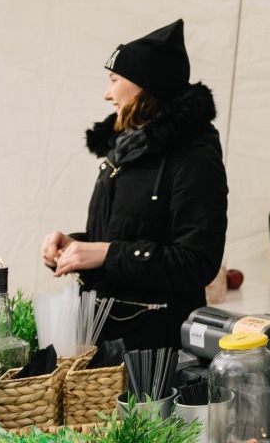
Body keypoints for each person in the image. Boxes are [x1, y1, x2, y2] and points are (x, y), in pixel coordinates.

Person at [41, 19, 228, 350]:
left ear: (145, 85)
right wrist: (77, 246)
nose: (107, 93)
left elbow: (198, 263)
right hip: (105, 337)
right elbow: (121, 239)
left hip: (158, 350)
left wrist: (106, 253)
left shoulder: (194, 158)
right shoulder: (124, 149)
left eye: (114, 80)